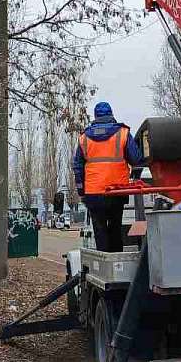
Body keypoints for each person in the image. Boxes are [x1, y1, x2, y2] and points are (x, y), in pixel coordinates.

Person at [73, 102, 145, 253]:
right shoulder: (122, 133)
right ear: (111, 115)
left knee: (100, 232)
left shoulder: (84, 137)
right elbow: (136, 159)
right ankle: (117, 264)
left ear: (95, 117)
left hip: (93, 193)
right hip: (116, 191)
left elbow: (78, 167)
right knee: (115, 228)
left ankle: (104, 267)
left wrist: (81, 191)